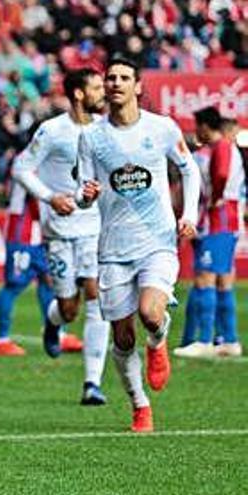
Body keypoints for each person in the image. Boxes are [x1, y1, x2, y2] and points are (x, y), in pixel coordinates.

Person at [76, 57, 200, 433]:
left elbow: (189, 168)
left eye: (123, 77)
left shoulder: (161, 128)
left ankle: (159, 339)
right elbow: (82, 193)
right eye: (110, 78)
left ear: (138, 86)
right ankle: (140, 405)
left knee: (150, 313)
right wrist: (85, 195)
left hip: (157, 241)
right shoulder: (91, 137)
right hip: (113, 247)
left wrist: (189, 214)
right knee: (123, 336)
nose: (115, 83)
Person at [12, 68, 110, 405]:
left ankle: (92, 383)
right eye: (97, 87)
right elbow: (20, 168)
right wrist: (50, 197)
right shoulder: (52, 131)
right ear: (79, 94)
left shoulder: (106, 131)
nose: (104, 92)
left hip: (96, 227)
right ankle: (54, 324)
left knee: (98, 297)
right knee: (69, 307)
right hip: (59, 228)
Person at [175, 106, 244, 358]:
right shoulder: (215, 149)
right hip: (223, 220)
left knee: (205, 277)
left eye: (198, 126)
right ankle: (229, 340)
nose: (196, 131)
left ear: (205, 126)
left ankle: (204, 340)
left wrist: (216, 196)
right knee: (224, 280)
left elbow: (222, 174)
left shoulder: (222, 146)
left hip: (220, 220)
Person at [0, 179, 57, 356]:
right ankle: (2, 340)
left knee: (47, 279)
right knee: (13, 285)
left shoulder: (30, 165)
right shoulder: (27, 168)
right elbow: (38, 204)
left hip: (35, 237)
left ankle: (55, 331)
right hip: (21, 236)